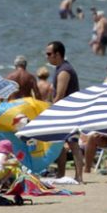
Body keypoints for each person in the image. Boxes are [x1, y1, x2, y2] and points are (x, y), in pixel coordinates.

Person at [46, 41, 84, 182]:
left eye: (49, 54)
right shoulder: (60, 69)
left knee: (73, 144)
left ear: (58, 54)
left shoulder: (64, 71)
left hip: (70, 113)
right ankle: (60, 174)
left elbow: (60, 95)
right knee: (59, 144)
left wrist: (50, 111)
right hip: (66, 113)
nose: (47, 57)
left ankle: (79, 176)